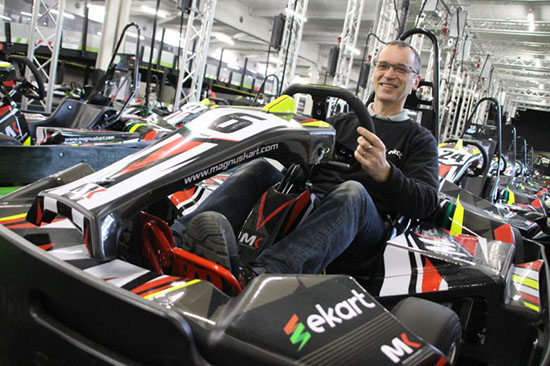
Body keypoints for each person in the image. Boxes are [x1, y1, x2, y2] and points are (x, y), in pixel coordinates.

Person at [170, 40, 439, 284]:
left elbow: (426, 202)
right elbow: (299, 166)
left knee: (352, 192)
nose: (390, 74)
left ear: (415, 81)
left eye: (401, 69)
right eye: (384, 66)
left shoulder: (419, 139)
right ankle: (174, 241)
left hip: (365, 228)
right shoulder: (340, 122)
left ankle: (265, 274)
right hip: (313, 203)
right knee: (260, 169)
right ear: (375, 72)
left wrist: (386, 173)